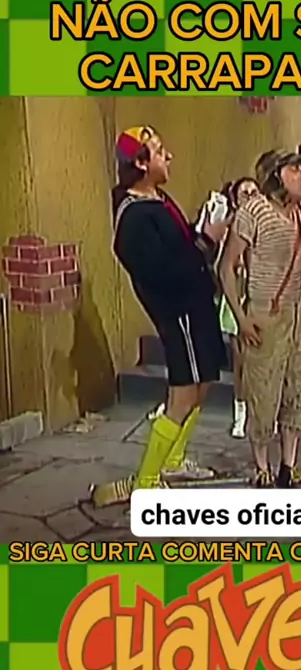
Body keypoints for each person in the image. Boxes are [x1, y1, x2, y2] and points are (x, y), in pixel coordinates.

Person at [90, 126, 229, 507]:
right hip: (178, 312)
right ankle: (147, 482)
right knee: (183, 392)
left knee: (204, 382)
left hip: (197, 304)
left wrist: (201, 230)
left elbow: (179, 247)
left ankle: (173, 460)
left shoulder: (157, 199)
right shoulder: (133, 217)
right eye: (159, 150)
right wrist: (207, 239)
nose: (169, 157)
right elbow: (163, 271)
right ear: (140, 163)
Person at [220, 150, 301, 487]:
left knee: (298, 386)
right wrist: (241, 318)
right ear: (276, 175)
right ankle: (261, 466)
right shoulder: (254, 211)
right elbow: (227, 267)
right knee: (263, 389)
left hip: (297, 312)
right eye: (294, 169)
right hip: (264, 312)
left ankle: (289, 465)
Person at [217, 177, 260, 438]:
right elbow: (223, 264)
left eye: (254, 192)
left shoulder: (266, 223)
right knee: (240, 360)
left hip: (261, 294)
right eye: (245, 193)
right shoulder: (230, 226)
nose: (251, 196)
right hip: (238, 293)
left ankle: (261, 410)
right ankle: (240, 413)